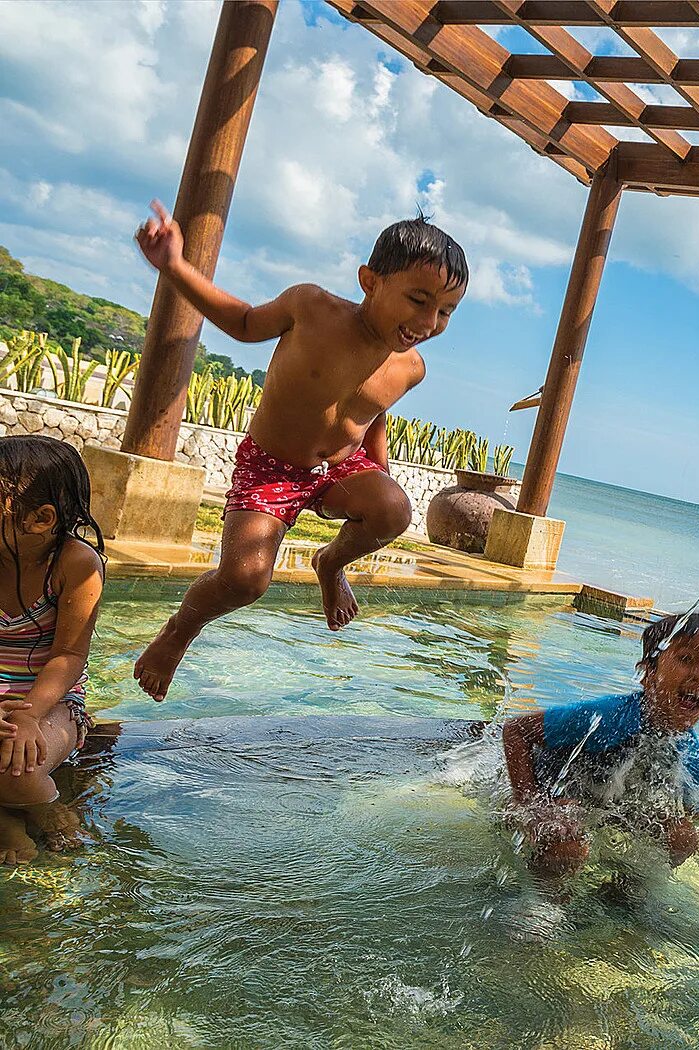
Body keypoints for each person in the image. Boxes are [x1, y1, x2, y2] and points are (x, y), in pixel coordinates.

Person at [131, 201, 468, 701]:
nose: (430, 320)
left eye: (445, 311)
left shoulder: (410, 367)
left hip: (339, 469)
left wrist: (379, 477)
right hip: (273, 467)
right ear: (369, 281)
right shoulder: (311, 308)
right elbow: (243, 322)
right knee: (245, 579)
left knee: (395, 508)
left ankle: (330, 565)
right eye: (418, 300)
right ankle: (179, 632)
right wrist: (175, 266)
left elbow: (374, 412)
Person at [500, 612, 699, 880]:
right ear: (648, 674)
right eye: (686, 659)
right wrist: (533, 806)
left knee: (682, 836)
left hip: (606, 808)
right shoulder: (607, 719)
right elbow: (516, 731)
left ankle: (623, 893)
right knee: (568, 844)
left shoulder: (688, 753)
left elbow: (692, 813)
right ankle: (542, 901)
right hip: (549, 796)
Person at [0, 436, 105, 864]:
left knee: (17, 768)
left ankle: (44, 810)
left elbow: (68, 656)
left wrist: (27, 714)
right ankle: (7, 821)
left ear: (39, 519)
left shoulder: (76, 565)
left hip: (48, 698)